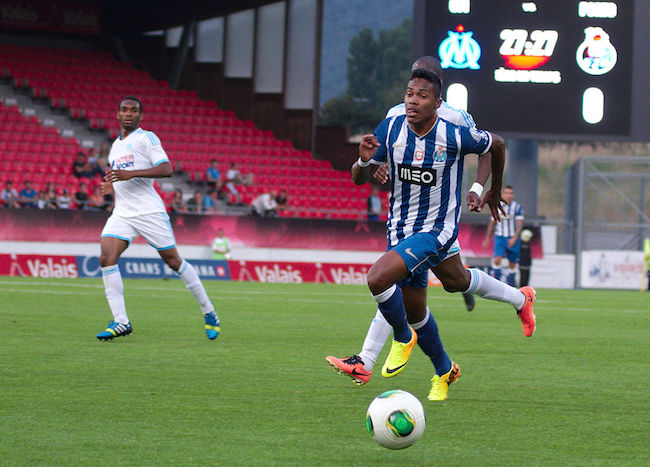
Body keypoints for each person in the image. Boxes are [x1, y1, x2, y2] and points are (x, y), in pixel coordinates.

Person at [329, 67, 536, 402]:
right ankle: (448, 366)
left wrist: (488, 188)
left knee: (379, 279)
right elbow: (358, 178)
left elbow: (495, 144)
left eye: (421, 95)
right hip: (400, 228)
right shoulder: (392, 125)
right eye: (410, 93)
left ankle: (384, 349)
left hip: (438, 229)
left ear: (437, 102)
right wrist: (363, 161)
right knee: (445, 288)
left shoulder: (454, 128)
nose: (412, 100)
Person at [95, 96, 220, 341]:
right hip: (123, 212)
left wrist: (131, 174)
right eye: (124, 110)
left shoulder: (147, 137)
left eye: (133, 111)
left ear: (140, 117)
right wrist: (110, 187)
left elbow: (166, 168)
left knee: (173, 262)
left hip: (149, 211)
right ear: (118, 115)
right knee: (106, 257)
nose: (128, 114)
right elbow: (116, 175)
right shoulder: (116, 146)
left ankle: (209, 311)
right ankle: (121, 322)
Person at [482, 186, 524, 286]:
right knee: (497, 259)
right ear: (503, 194)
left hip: (512, 238)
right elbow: (492, 223)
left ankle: (511, 284)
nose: (508, 195)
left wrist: (515, 237)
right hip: (500, 237)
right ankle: (496, 283)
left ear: (513, 195)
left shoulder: (517, 207)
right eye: (506, 193)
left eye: (510, 193)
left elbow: (519, 224)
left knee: (512, 263)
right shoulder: (497, 206)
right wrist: (487, 239)